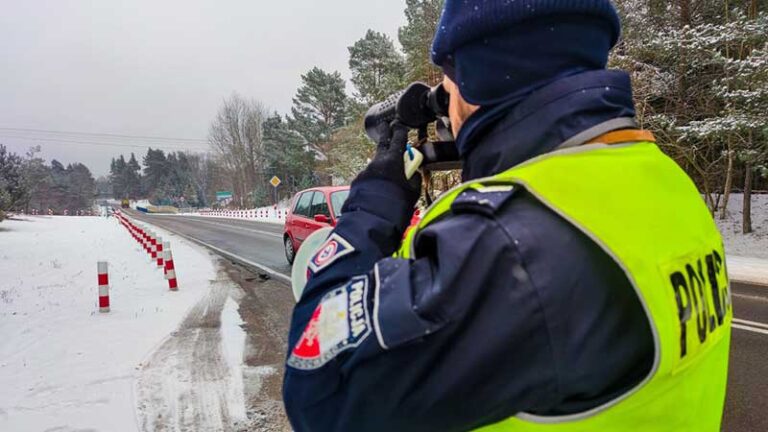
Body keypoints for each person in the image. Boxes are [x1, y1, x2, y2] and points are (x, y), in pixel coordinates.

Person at [282, 1, 732, 431]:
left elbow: (321, 381)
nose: (447, 107)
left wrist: (376, 200)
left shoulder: (513, 244)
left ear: (480, 80)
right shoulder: (664, 180)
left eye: (449, 83)